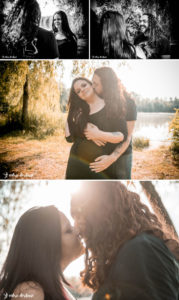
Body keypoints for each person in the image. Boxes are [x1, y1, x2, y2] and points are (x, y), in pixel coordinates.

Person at [71, 181, 179, 300]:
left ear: (102, 211)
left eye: (79, 215)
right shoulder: (128, 253)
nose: (76, 227)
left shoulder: (139, 251)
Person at [0, 206, 84, 300]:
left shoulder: (51, 287)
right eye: (68, 230)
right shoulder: (30, 292)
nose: (77, 231)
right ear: (47, 247)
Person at [65, 76, 128, 179]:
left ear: (91, 84)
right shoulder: (80, 112)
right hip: (76, 165)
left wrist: (98, 134)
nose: (82, 90)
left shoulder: (111, 105)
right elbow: (69, 138)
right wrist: (70, 113)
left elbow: (122, 136)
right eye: (78, 91)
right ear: (78, 96)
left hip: (100, 166)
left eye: (84, 85)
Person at [91, 67, 137, 179]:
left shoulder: (129, 103)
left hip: (121, 155)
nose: (92, 87)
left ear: (106, 85)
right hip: (100, 153)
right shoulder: (97, 98)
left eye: (95, 84)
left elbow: (128, 136)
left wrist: (112, 158)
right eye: (92, 82)